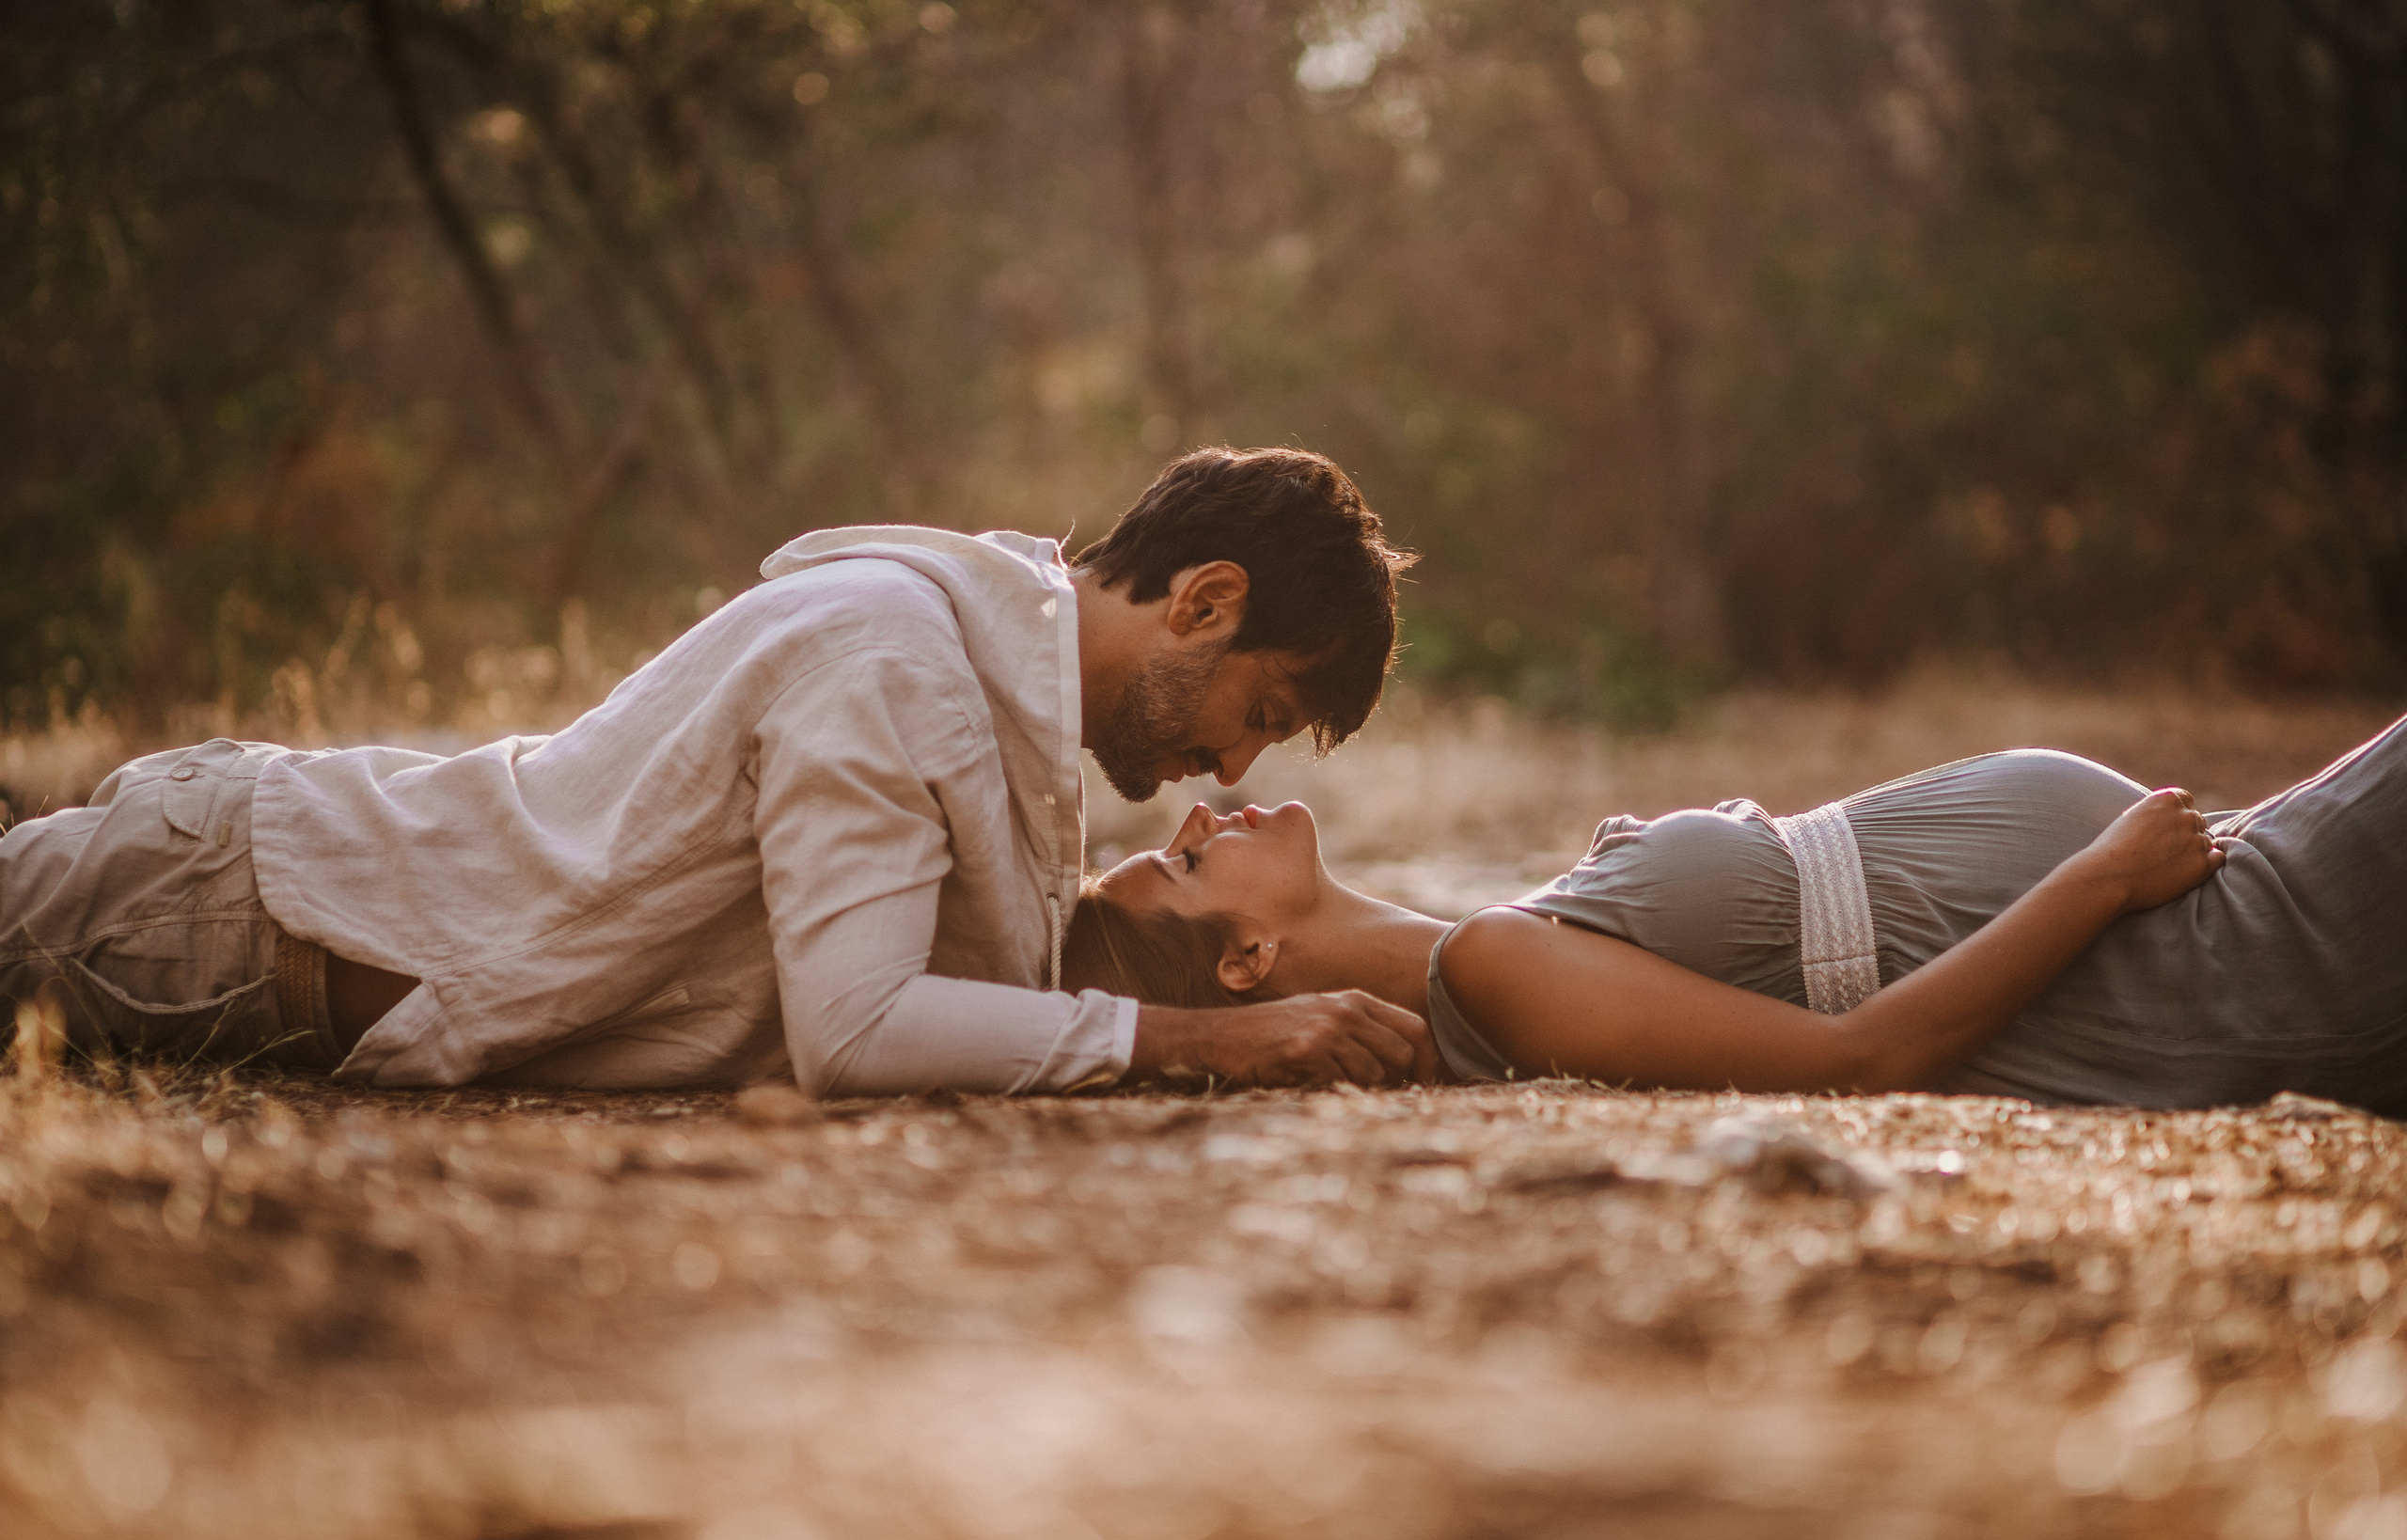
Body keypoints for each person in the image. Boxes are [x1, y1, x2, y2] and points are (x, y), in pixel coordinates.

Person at [1, 447, 1434, 1096]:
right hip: (229, 908)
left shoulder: (997, 708)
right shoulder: (892, 664)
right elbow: (858, 1028)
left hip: (269, 932)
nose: (1228, 766)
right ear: (1202, 601)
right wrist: (1208, 1044)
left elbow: (977, 973)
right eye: (1261, 708)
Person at [1067, 716, 2407, 1113]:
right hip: (2221, 958)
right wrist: (2102, 875)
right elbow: (1860, 1061)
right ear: (1250, 961)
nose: (1198, 819)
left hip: (2216, 900)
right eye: (1181, 867)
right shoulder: (1493, 973)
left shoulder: (1498, 940)